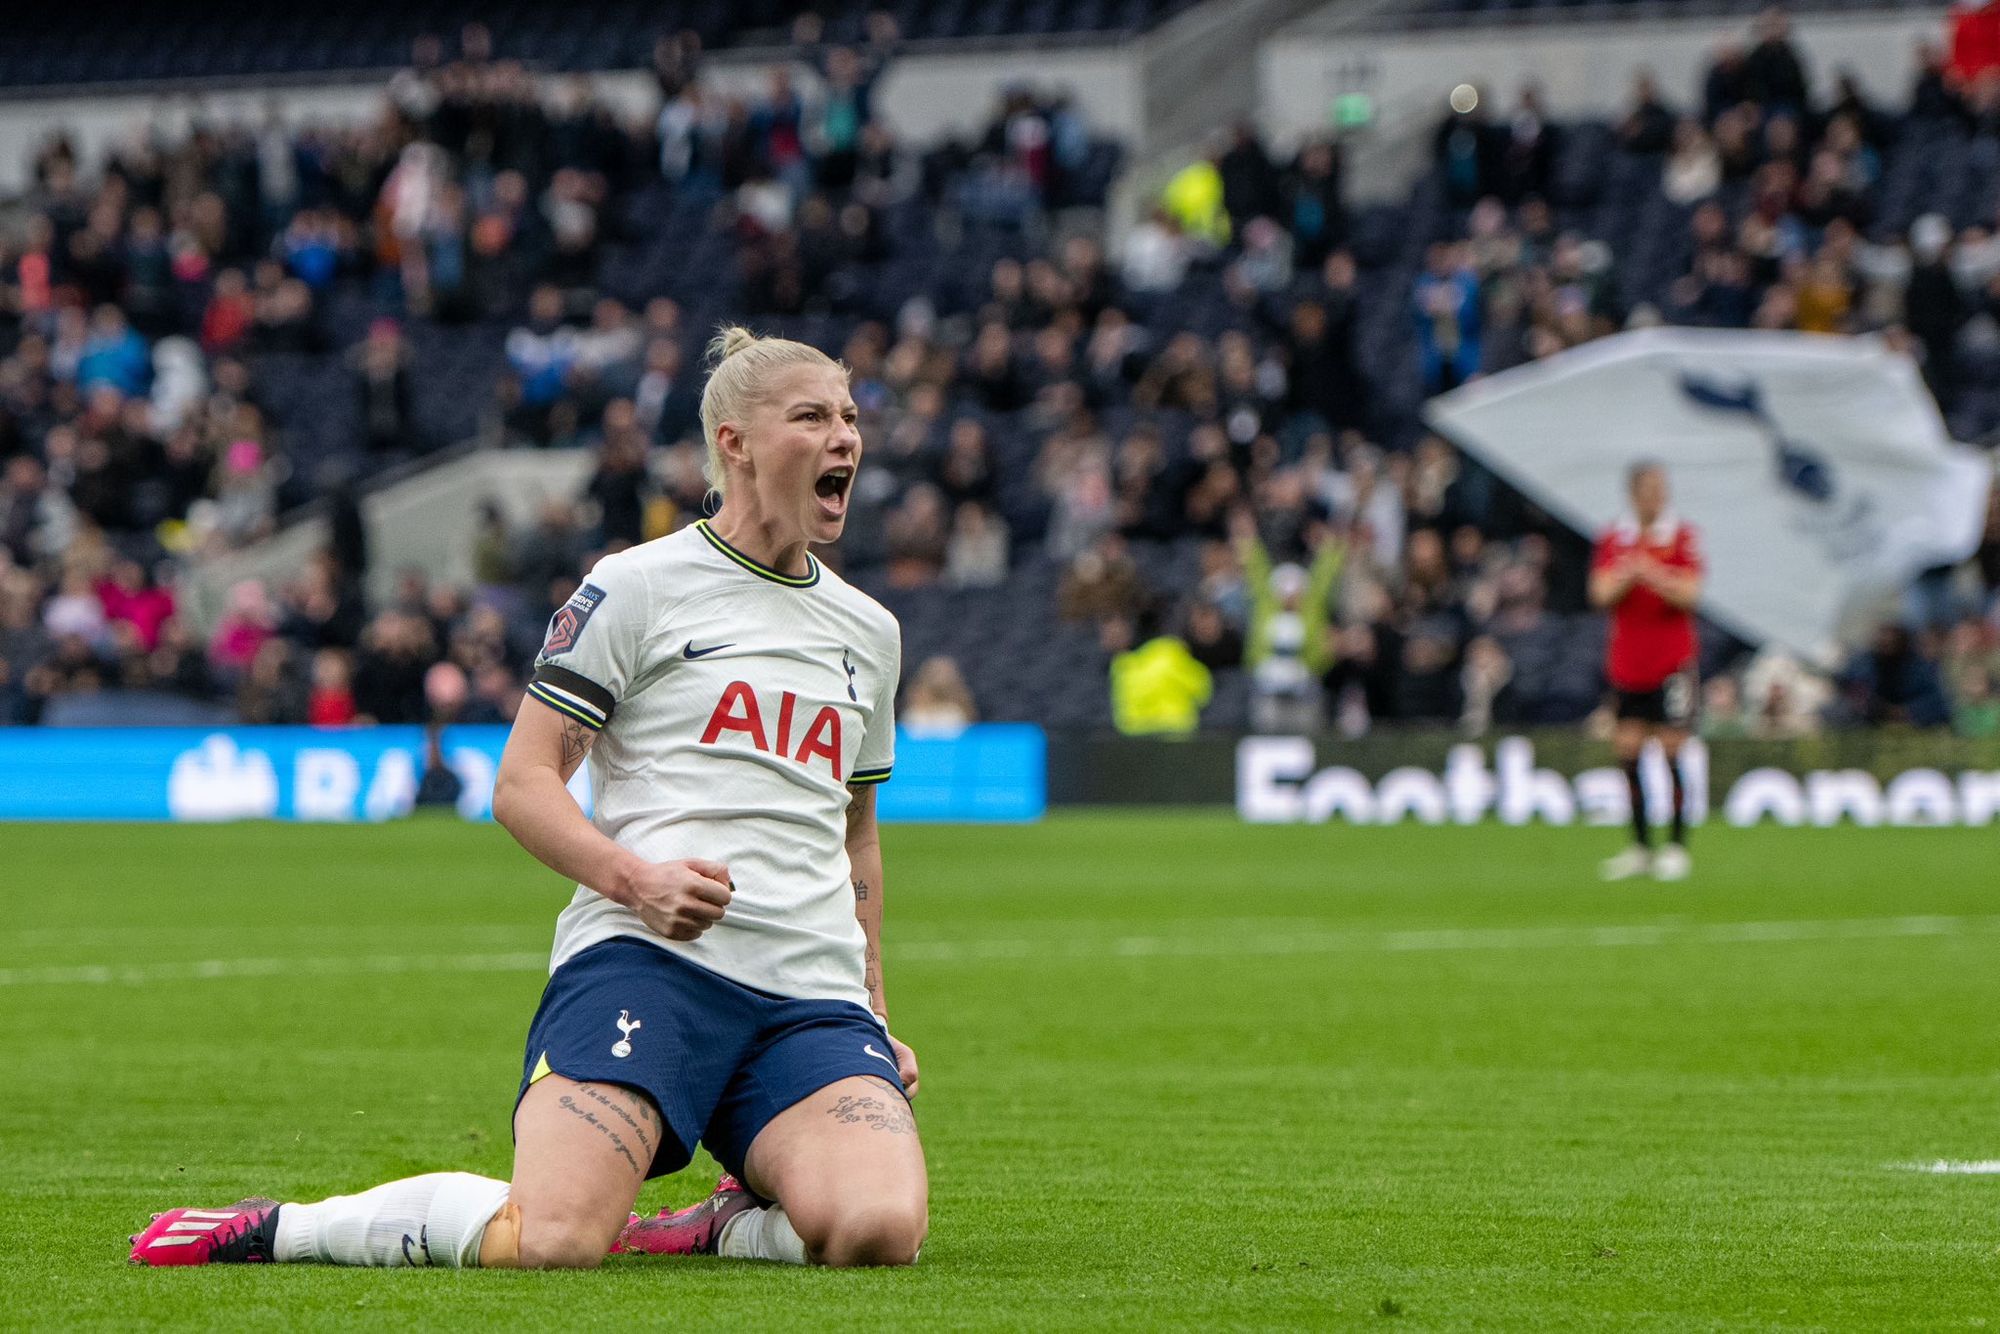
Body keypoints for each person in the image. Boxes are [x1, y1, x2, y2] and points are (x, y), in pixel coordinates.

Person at [131, 329, 927, 1271]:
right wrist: (637, 883)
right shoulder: (635, 588)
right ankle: (287, 1227)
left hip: (809, 998)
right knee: (554, 1240)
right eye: (812, 417)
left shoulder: (869, 633)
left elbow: (858, 835)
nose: (844, 438)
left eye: (849, 417)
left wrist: (873, 1006)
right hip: (650, 966)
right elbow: (521, 785)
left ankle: (724, 1222)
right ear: (734, 443)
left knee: (878, 1231)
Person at [1589, 462, 1704, 882]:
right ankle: (1639, 848)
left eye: (1662, 487)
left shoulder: (1681, 536)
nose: (1659, 496)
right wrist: (1629, 570)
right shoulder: (1614, 539)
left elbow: (1691, 593)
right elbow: (1600, 593)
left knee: (1672, 753)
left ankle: (1675, 847)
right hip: (1627, 665)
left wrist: (1649, 571)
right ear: (1634, 494)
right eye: (1651, 488)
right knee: (1628, 755)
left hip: (1672, 663)